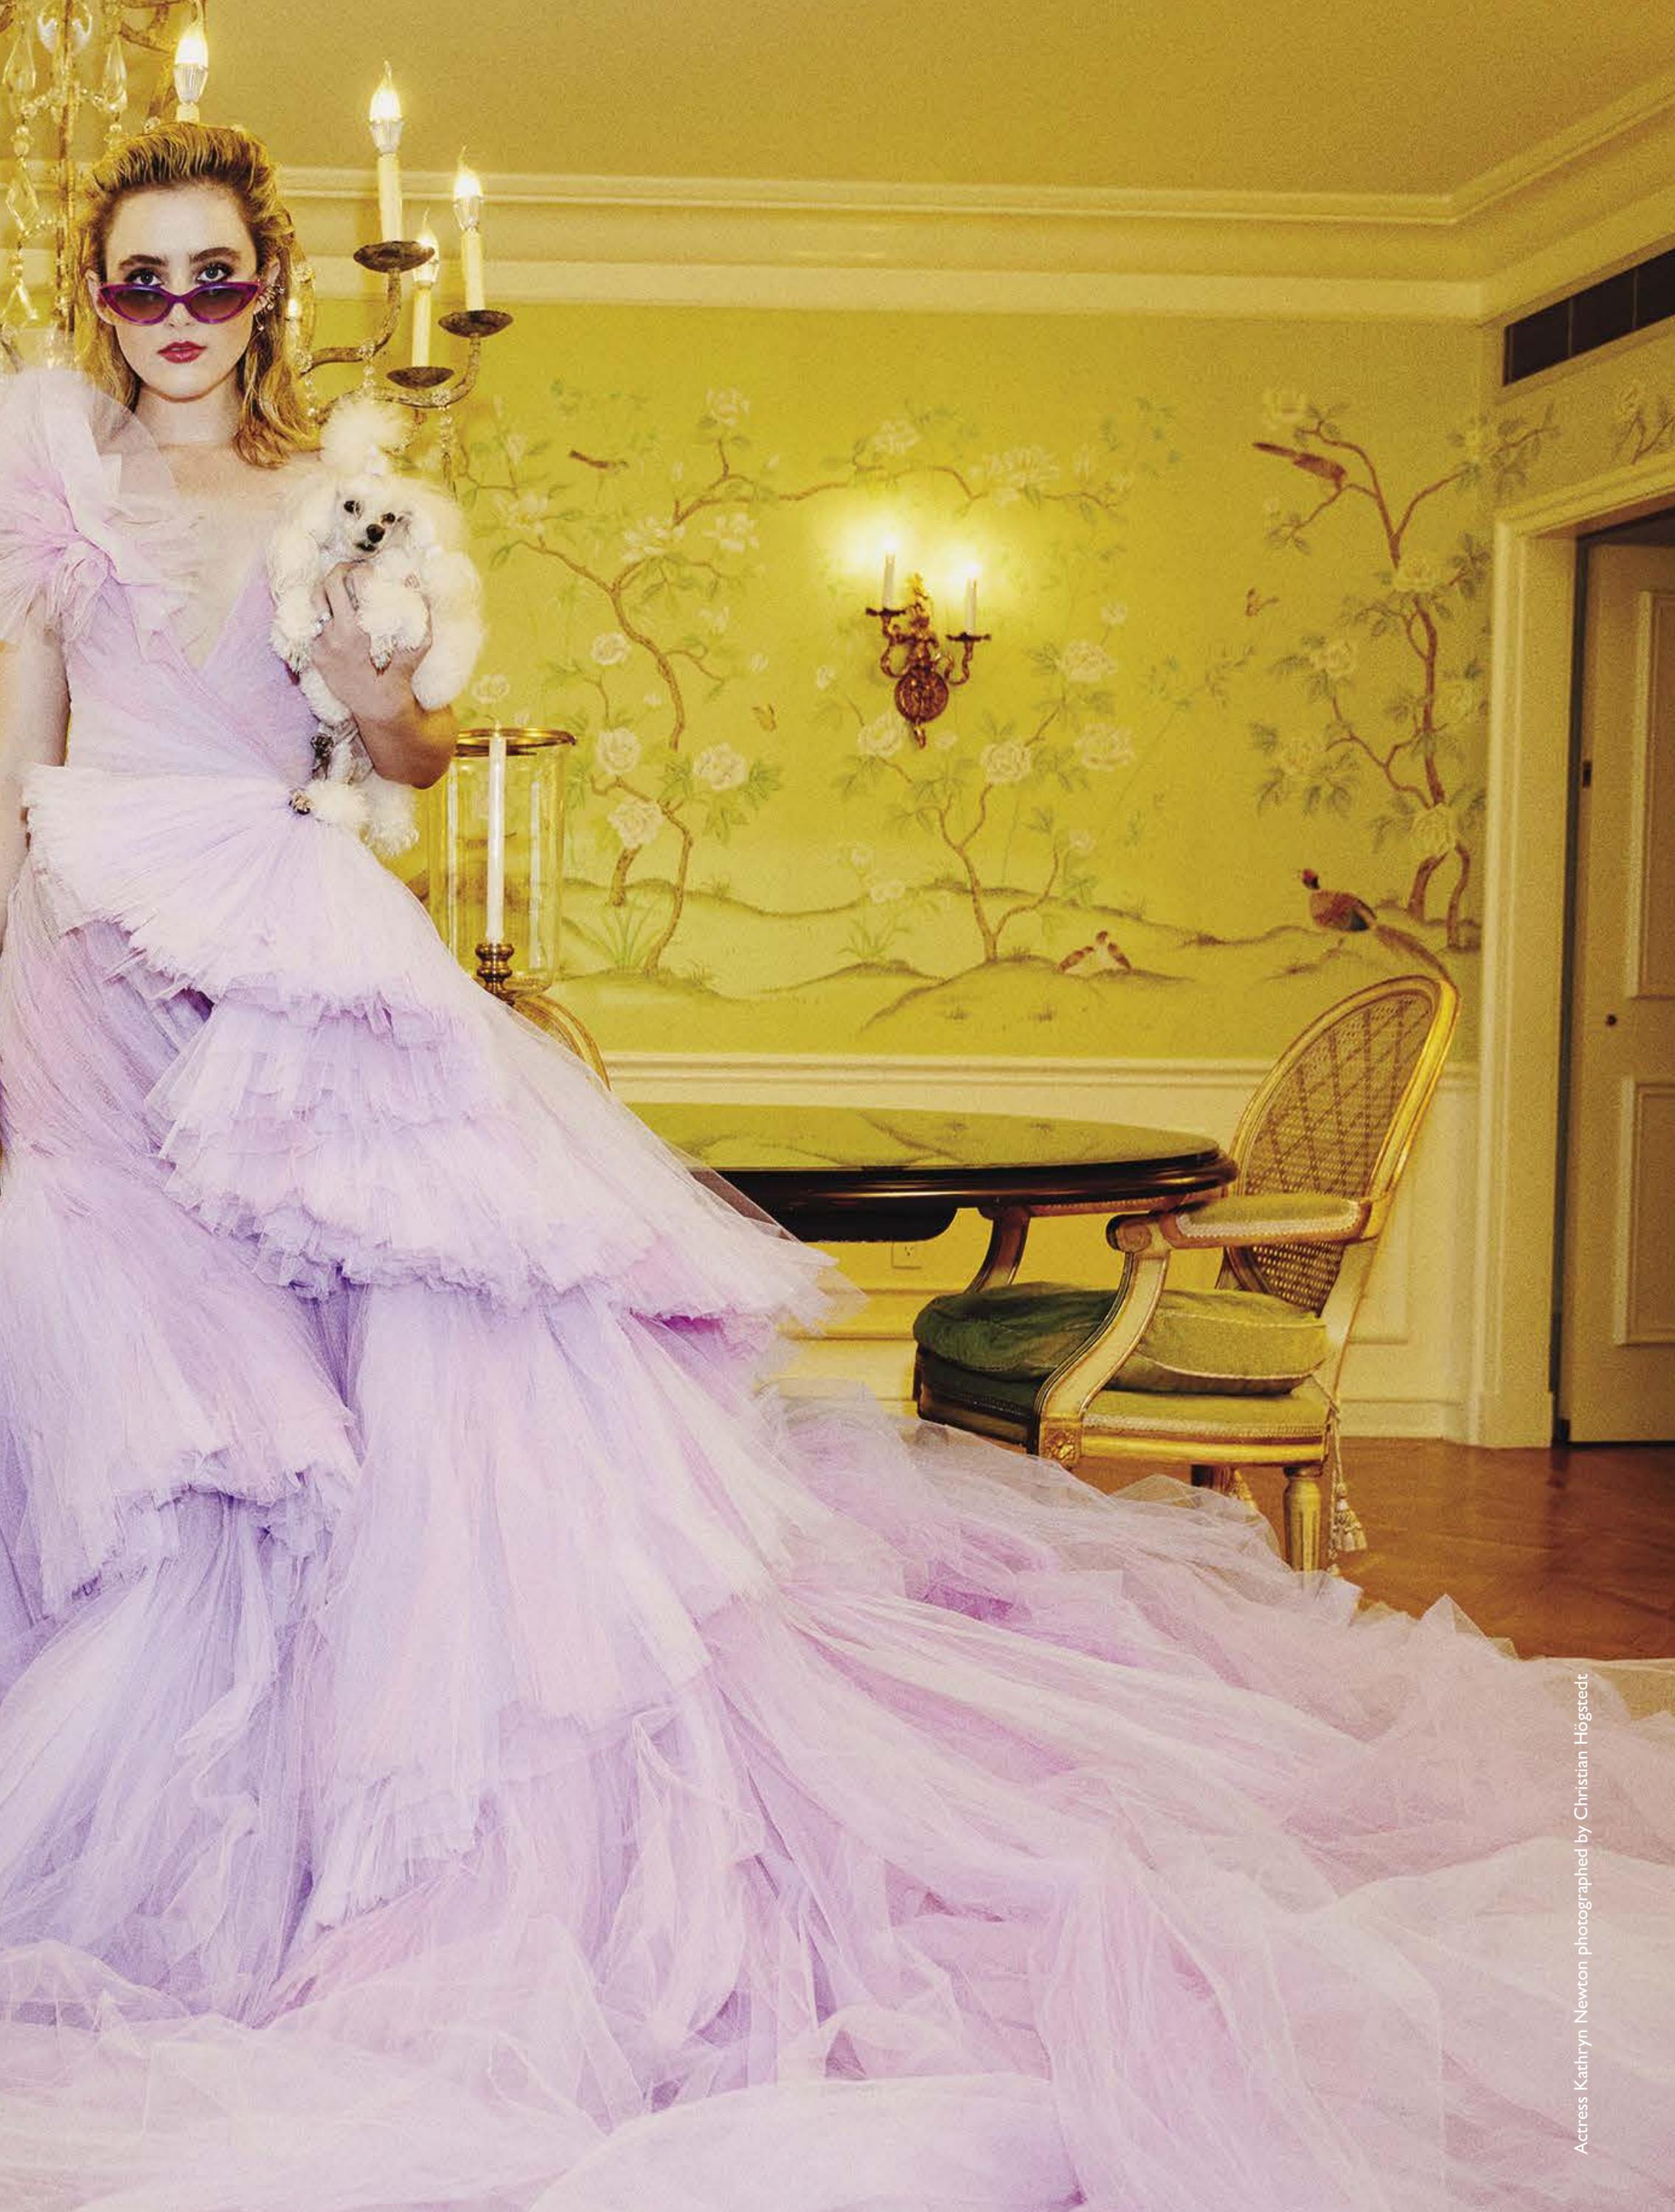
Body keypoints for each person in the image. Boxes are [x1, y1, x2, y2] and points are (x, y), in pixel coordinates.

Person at [0, 122, 1669, 2212]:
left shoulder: (340, 499)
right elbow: (20, 769)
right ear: (98, 296)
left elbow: (406, 751)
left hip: (305, 965)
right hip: (99, 960)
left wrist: (365, 664)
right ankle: (196, 1831)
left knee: (417, 1402)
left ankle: (396, 1848)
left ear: (270, 290)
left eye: (215, 276)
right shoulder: (46, 481)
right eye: (140, 279)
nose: (177, 314)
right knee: (175, 1423)